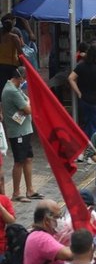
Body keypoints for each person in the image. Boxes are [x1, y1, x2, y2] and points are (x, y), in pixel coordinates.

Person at [2, 67, 41, 202]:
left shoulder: (15, 88)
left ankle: (30, 189)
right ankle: (16, 193)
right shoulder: (11, 91)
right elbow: (28, 108)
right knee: (19, 161)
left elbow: (27, 101)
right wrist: (27, 106)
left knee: (28, 158)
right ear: (20, 78)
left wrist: (27, 105)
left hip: (25, 130)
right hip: (18, 132)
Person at [69, 43, 96, 139]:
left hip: (84, 100)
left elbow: (71, 78)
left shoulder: (81, 66)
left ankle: (86, 144)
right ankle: (95, 147)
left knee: (86, 124)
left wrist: (79, 92)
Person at [23, 200, 74, 264]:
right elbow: (69, 255)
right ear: (46, 220)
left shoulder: (37, 235)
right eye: (57, 217)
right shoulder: (41, 238)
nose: (61, 220)